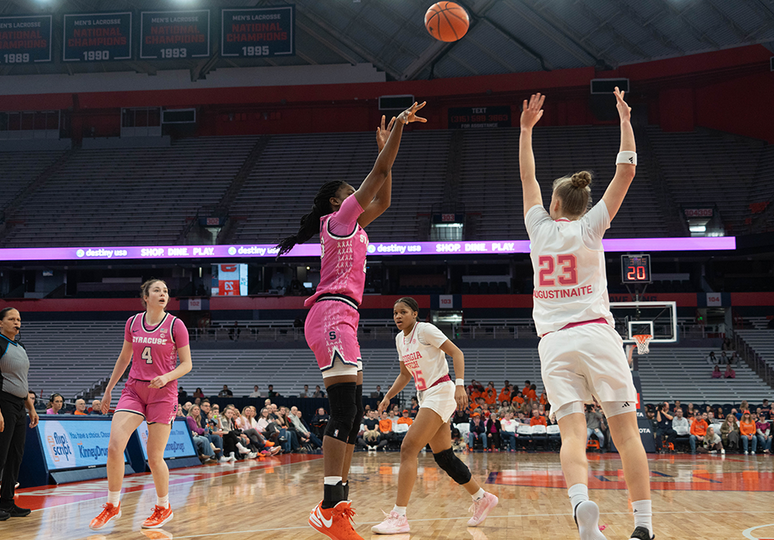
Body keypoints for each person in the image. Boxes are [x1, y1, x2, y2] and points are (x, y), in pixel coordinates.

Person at [276, 104, 426, 540]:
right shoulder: (338, 221)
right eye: (349, 191)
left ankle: (337, 505)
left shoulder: (357, 225)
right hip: (331, 314)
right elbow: (377, 177)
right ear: (336, 201)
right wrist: (397, 129)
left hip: (345, 316)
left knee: (354, 413)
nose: (355, 196)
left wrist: (386, 148)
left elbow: (386, 197)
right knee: (343, 411)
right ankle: (326, 507)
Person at [519, 89, 652, 540]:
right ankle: (643, 527)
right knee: (626, 434)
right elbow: (627, 169)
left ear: (553, 205)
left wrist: (525, 130)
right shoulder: (593, 225)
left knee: (572, 435)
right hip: (597, 335)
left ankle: (581, 509)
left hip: (554, 342)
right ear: (580, 206)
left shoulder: (538, 228)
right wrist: (624, 119)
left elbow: (527, 177)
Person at [372, 297, 497, 534]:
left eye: (403, 312)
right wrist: (388, 396)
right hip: (425, 395)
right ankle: (482, 497)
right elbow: (404, 375)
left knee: (408, 448)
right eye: (395, 313)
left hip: (441, 390)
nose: (398, 317)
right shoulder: (400, 339)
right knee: (444, 457)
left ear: (415, 314)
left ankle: (399, 516)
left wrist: (460, 385)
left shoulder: (426, 330)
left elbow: (457, 353)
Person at [90, 279, 192, 530]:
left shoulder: (176, 325)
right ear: (145, 296)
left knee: (154, 457)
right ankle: (112, 505)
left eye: (166, 291)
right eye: (157, 290)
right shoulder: (133, 322)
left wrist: (166, 377)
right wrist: (109, 389)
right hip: (134, 389)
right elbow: (125, 357)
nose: (163, 294)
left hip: (163, 393)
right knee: (114, 447)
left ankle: (163, 507)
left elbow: (186, 364)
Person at [0, 307, 39, 521]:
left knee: (15, 456)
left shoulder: (20, 346)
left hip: (18, 405)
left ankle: (7, 502)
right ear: (0, 323)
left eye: (19, 319)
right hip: (1, 404)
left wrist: (30, 407)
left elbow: (22, 381)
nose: (17, 322)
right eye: (11, 319)